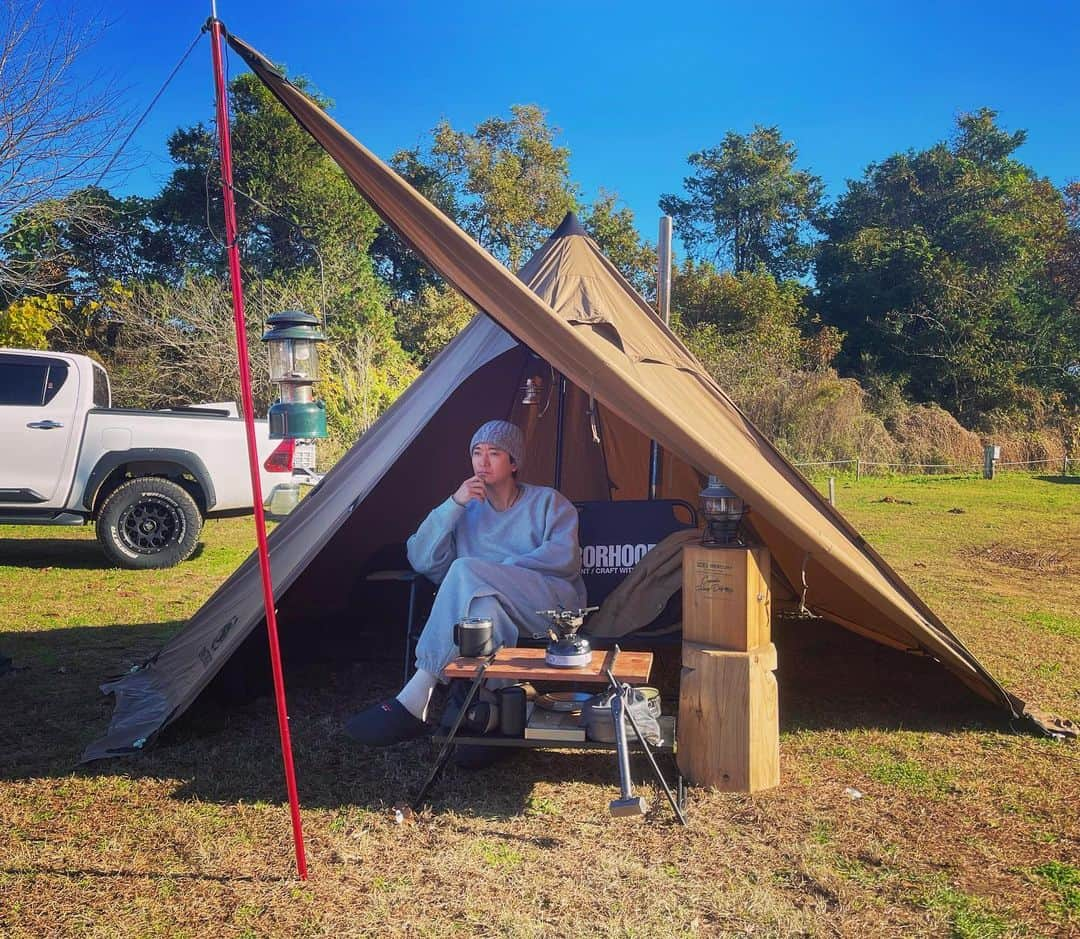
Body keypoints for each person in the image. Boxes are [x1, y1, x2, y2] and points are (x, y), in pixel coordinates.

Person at [346, 420, 586, 746]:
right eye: (477, 452)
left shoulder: (548, 502)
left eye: (494, 453)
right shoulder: (466, 509)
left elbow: (564, 558)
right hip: (492, 608)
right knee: (483, 606)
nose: (482, 462)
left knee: (467, 572)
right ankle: (501, 708)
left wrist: (494, 572)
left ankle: (419, 693)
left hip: (551, 606)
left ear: (513, 462)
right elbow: (420, 558)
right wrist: (453, 505)